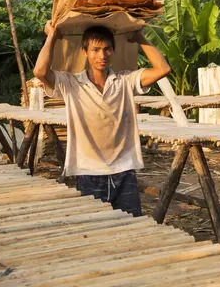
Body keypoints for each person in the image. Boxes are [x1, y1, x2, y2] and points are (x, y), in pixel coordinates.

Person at [33, 23, 171, 216]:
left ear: (113, 50)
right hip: (89, 172)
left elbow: (163, 69)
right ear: (85, 52)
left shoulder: (124, 81)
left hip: (124, 170)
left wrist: (140, 38)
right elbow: (39, 72)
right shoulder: (71, 84)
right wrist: (52, 36)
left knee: (131, 229)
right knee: (96, 227)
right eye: (95, 50)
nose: (102, 55)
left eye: (107, 49)